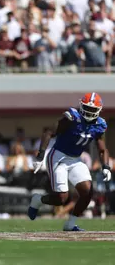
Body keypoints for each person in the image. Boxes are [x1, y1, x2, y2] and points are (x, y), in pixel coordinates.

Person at [28, 92, 111, 231]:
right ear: (81, 106)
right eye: (87, 108)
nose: (89, 112)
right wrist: (40, 156)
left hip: (75, 159)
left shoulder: (100, 125)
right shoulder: (72, 118)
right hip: (58, 157)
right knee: (61, 199)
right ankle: (38, 200)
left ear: (99, 110)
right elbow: (49, 132)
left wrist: (106, 166)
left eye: (92, 109)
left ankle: (70, 224)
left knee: (88, 192)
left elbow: (102, 149)